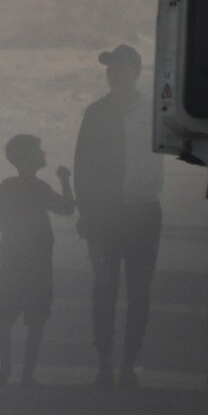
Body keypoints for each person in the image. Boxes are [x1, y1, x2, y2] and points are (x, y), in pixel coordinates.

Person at [73, 44, 165, 388]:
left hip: (144, 211)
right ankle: (105, 362)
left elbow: (175, 113)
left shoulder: (155, 110)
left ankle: (128, 363)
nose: (114, 76)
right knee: (105, 288)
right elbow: (82, 165)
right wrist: (86, 210)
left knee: (139, 292)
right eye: (110, 71)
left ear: (136, 72)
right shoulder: (96, 112)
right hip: (106, 214)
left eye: (121, 69)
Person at [0, 134, 76, 386]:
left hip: (12, 259)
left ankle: (5, 368)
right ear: (28, 157)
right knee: (36, 318)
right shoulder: (40, 189)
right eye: (39, 151)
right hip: (37, 263)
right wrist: (65, 181)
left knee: (5, 316)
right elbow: (67, 208)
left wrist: (12, 229)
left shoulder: (8, 186)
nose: (44, 154)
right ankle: (27, 373)